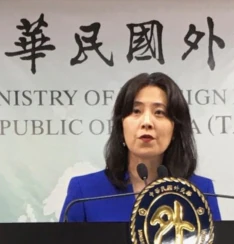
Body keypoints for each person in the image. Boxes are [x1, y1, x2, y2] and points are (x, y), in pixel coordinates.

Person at [60, 72, 222, 222]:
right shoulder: (84, 192)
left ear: (175, 129)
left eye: (159, 112)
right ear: (121, 126)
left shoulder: (200, 191)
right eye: (136, 111)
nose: (146, 122)